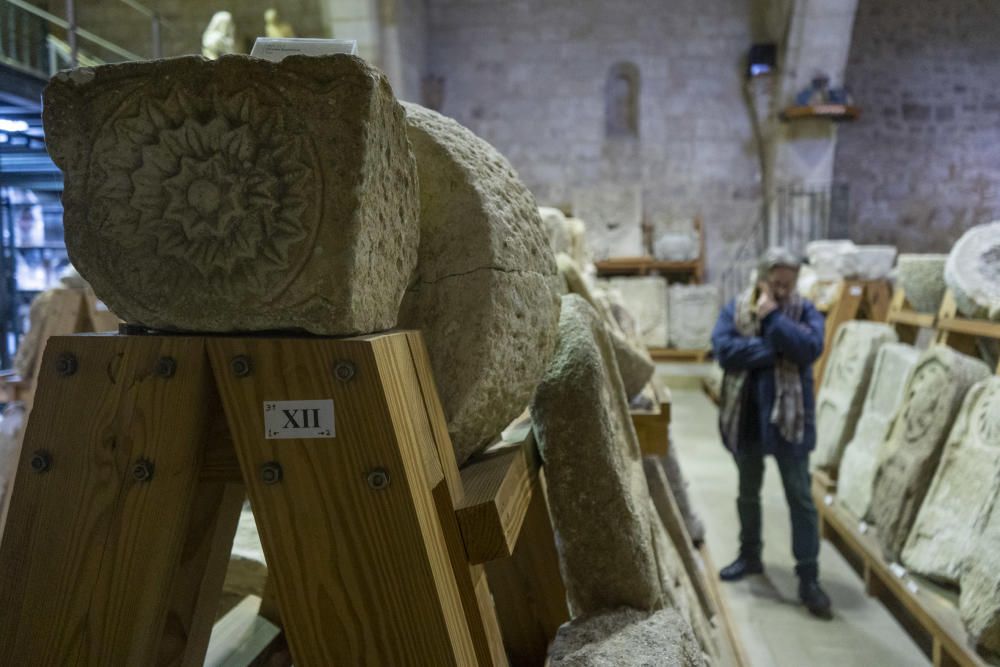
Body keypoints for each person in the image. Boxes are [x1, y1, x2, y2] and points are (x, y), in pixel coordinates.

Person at [711, 246, 832, 619]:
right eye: (776, 283)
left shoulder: (804, 311)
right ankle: (750, 556)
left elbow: (809, 348)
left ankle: (808, 577)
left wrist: (775, 318)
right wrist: (773, 351)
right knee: (748, 492)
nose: (782, 289)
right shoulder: (736, 308)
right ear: (763, 278)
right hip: (748, 416)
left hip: (790, 422)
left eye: (788, 283)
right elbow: (723, 350)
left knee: (800, 497)